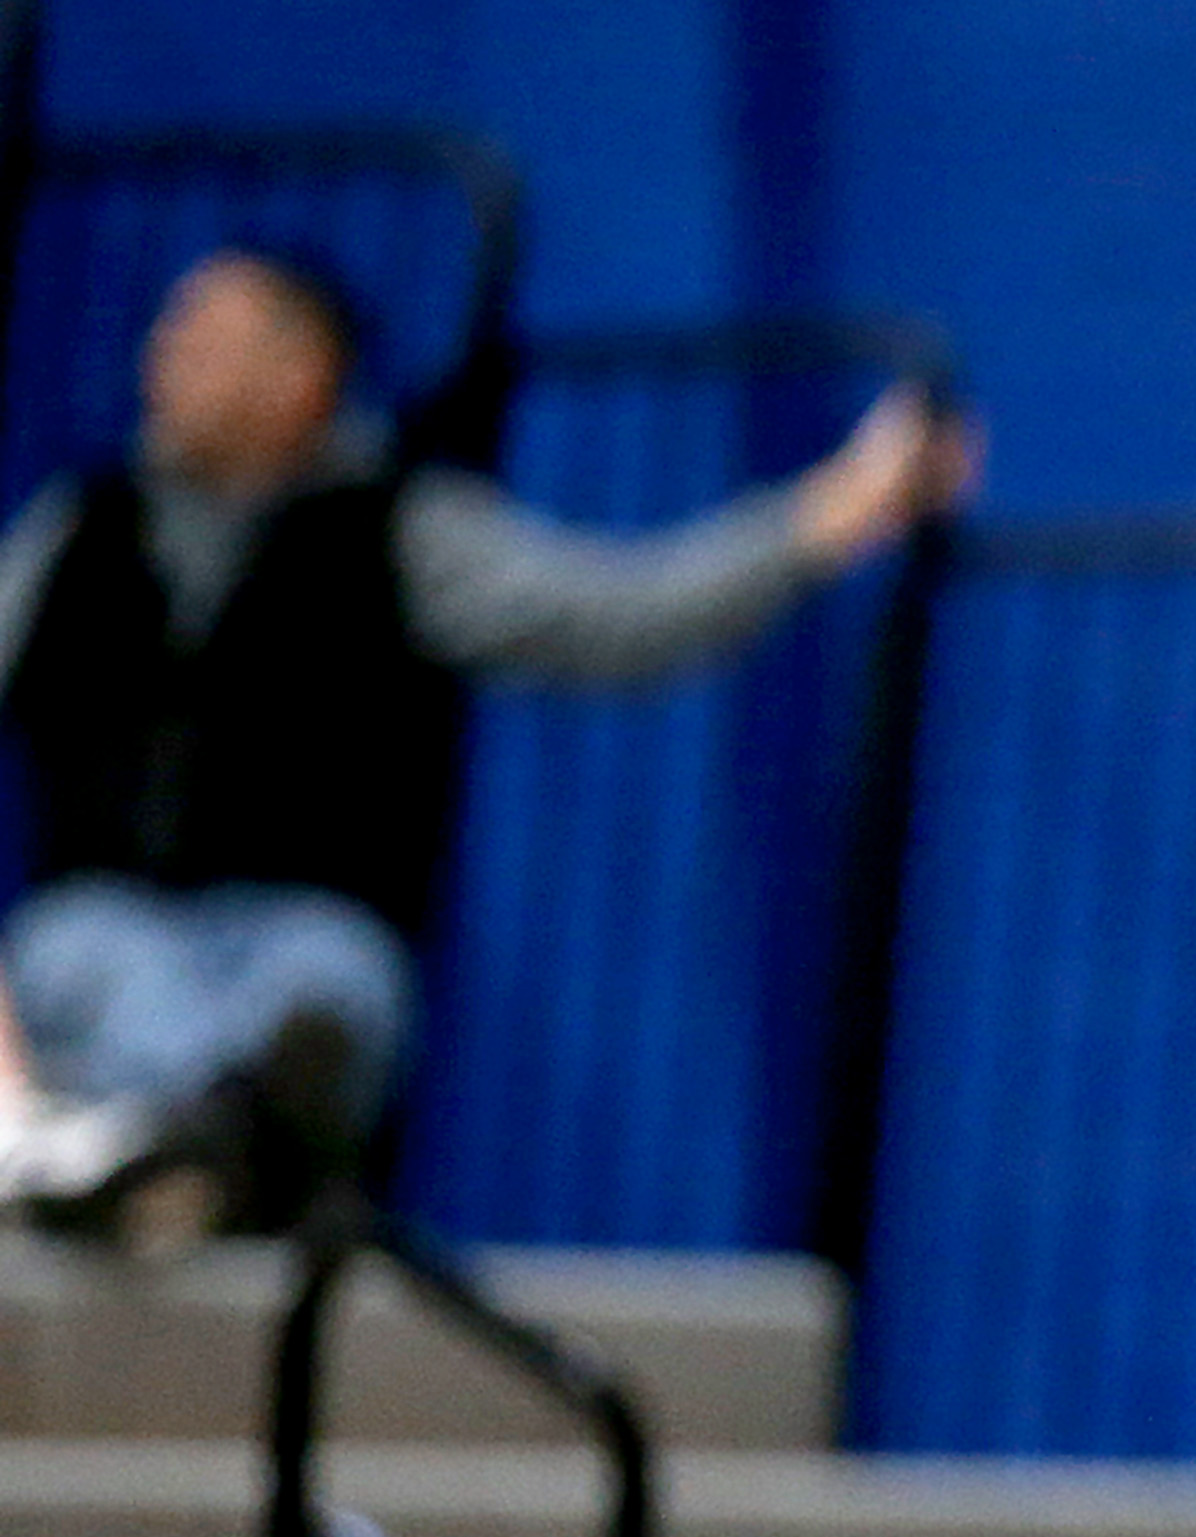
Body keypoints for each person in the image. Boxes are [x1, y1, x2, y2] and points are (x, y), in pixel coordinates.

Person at [0, 242, 972, 1239]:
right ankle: (198, 1143)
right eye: (167, 333)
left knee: (328, 991)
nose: (167, 356)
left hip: (312, 930)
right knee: (106, 969)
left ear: (302, 375)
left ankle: (177, 1149)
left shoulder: (406, 529)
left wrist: (828, 515)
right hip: (97, 924)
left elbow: (622, 610)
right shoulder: (74, 528)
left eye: (206, 336)